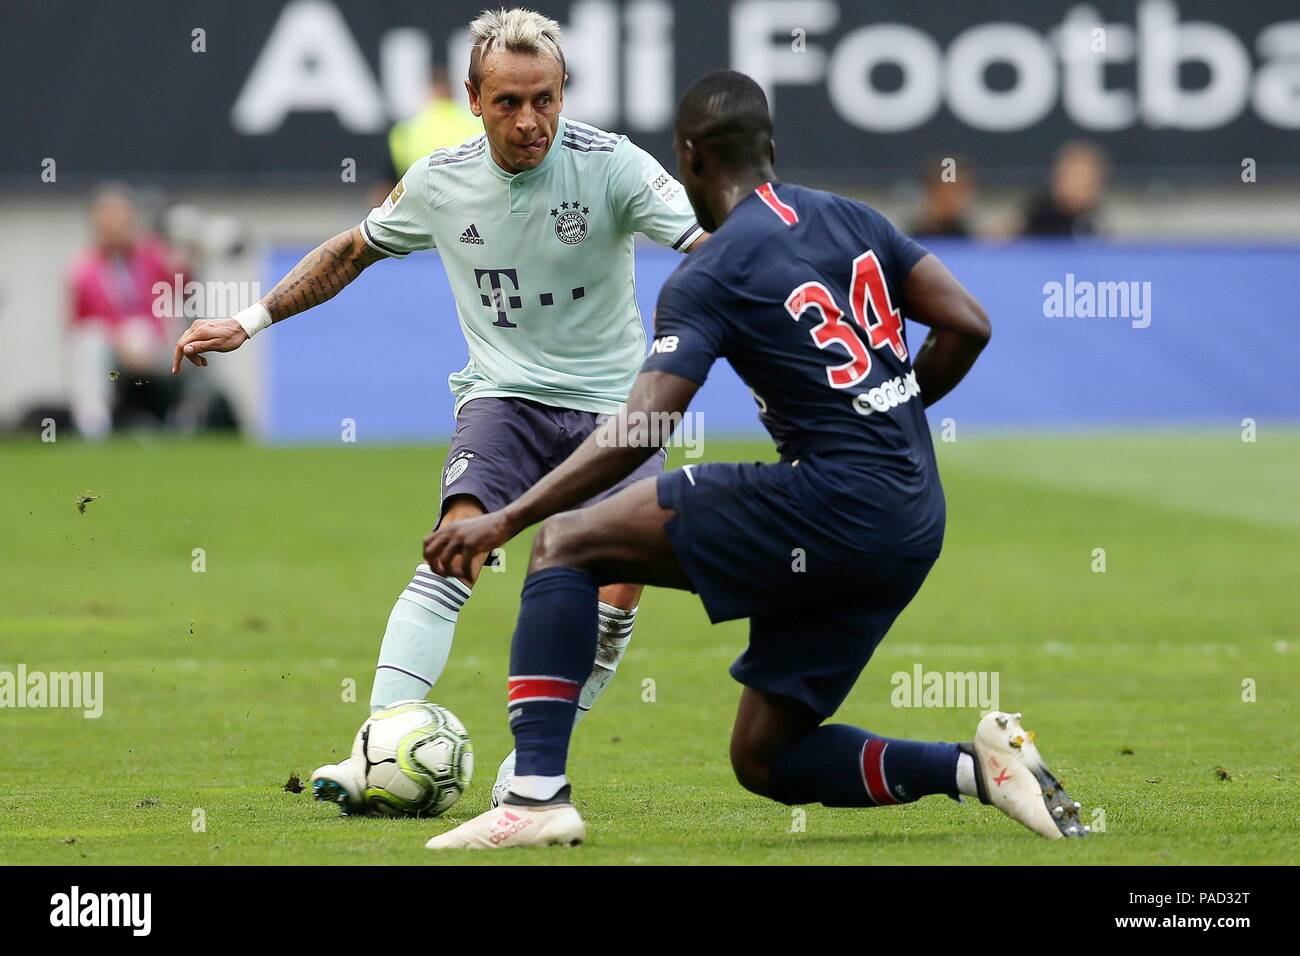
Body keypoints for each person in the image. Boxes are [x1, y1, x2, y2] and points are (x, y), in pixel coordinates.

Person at [421, 70, 1088, 850]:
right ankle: (977, 770)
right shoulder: (851, 219)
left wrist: (508, 513)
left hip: (833, 502)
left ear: (690, 159)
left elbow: (639, 431)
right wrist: (888, 404)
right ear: (769, 148)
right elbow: (968, 323)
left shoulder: (712, 271)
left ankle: (534, 796)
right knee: (765, 757)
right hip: (911, 521)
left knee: (564, 543)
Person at [170, 8, 706, 811]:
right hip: (505, 396)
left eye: (546, 99)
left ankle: (531, 766)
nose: (530, 120)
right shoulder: (439, 180)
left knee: (615, 585)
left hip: (616, 407)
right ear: (472, 97)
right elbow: (351, 250)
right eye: (508, 102)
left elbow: (709, 249)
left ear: (564, 92)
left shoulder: (614, 167)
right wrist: (247, 322)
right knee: (454, 541)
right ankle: (378, 747)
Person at [68, 185, 187, 436]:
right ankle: (93, 424)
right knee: (90, 340)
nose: (115, 224)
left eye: (120, 216)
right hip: (113, 348)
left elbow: (181, 288)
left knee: (193, 329)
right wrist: (120, 340)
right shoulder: (83, 270)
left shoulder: (154, 256)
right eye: (107, 216)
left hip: (155, 344)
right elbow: (79, 323)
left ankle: (189, 417)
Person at [1021, 140, 1107, 237]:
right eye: (1072, 177)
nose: (1077, 185)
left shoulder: (1096, 223)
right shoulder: (1037, 216)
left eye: (1084, 179)